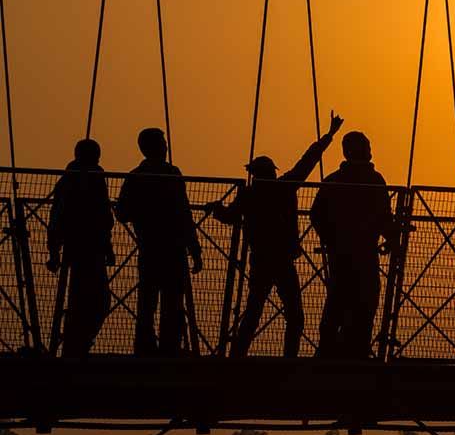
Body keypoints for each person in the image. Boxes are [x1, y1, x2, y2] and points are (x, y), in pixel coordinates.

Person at [208, 111, 343, 357]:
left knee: (253, 311)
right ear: (271, 172)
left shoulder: (248, 195)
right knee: (294, 314)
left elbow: (228, 217)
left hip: (260, 259)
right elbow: (308, 161)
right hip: (282, 260)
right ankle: (288, 358)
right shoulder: (284, 187)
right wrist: (329, 136)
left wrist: (215, 208)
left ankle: (238, 355)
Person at [115, 128, 202, 356]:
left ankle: (144, 348)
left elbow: (122, 213)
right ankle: (170, 349)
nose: (166, 146)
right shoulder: (172, 173)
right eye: (163, 143)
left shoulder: (135, 176)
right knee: (173, 303)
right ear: (157, 146)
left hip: (149, 247)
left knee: (147, 303)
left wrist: (141, 212)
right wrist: (195, 249)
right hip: (173, 249)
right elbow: (184, 213)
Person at [310, 131, 394, 358]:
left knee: (337, 300)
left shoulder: (333, 180)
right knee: (365, 302)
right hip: (365, 254)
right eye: (367, 145)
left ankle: (328, 350)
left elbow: (316, 214)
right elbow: (384, 216)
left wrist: (331, 240)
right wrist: (392, 238)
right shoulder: (375, 181)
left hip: (340, 254)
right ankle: (356, 349)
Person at [46, 139, 115, 357]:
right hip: (91, 248)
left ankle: (74, 344)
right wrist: (107, 246)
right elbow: (102, 215)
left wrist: (54, 249)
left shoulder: (67, 180)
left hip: (74, 248)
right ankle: (79, 343)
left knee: (79, 300)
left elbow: (56, 215)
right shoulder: (94, 177)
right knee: (100, 301)